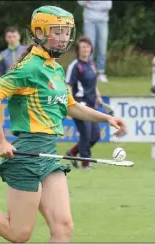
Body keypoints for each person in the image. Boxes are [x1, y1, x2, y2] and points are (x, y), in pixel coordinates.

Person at [0, 6, 127, 243]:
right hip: (28, 154)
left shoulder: (55, 68)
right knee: (19, 233)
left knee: (63, 228)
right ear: (39, 32)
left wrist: (106, 118)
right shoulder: (28, 67)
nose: (63, 38)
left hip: (48, 154)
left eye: (66, 32)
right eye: (57, 31)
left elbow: (70, 106)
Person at [65, 36, 104, 169]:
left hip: (92, 105)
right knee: (86, 134)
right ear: (78, 50)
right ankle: (86, 164)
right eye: (83, 47)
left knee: (95, 135)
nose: (86, 49)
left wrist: (98, 96)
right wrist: (71, 104)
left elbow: (93, 84)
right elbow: (68, 85)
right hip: (80, 105)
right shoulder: (75, 66)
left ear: (91, 49)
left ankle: (73, 152)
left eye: (87, 47)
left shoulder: (92, 64)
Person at [77, 0, 112, 83]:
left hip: (103, 21)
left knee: (102, 48)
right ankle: (89, 71)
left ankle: (100, 73)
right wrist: (88, 4)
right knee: (88, 47)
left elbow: (108, 5)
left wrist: (91, 5)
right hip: (89, 21)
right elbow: (80, 2)